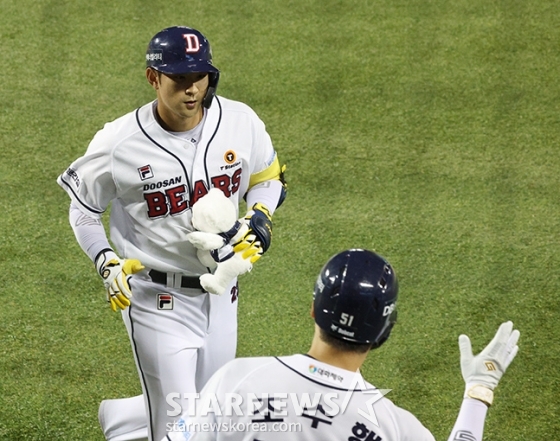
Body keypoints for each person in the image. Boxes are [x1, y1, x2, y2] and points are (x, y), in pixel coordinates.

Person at [56, 25, 286, 441]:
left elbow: (268, 177)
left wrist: (261, 216)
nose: (191, 88)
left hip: (222, 294)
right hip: (156, 300)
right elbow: (84, 211)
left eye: (199, 76)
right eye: (179, 78)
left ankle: (124, 422)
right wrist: (105, 260)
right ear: (153, 78)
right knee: (180, 429)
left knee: (211, 410)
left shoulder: (240, 121)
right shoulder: (118, 143)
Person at [163, 249, 520, 441]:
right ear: (383, 332)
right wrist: (478, 391)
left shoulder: (236, 380)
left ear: (314, 309)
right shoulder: (394, 426)